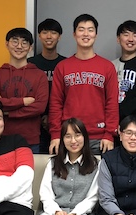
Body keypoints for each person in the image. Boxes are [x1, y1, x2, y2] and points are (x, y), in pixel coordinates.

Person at [48, 14, 119, 155]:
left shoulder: (107, 67)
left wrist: (109, 134)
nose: (86, 34)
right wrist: (55, 134)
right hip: (70, 136)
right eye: (81, 29)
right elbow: (56, 103)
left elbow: (112, 103)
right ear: (74, 34)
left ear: (96, 35)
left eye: (90, 30)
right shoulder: (62, 67)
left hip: (99, 138)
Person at [0, 28, 49, 153]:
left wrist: (6, 110)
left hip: (30, 141)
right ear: (7, 44)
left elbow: (39, 107)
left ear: (30, 47)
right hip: (0, 138)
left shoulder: (40, 75)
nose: (19, 46)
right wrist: (23, 101)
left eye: (24, 43)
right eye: (15, 41)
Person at [29, 18, 66, 153]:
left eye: (53, 33)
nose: (49, 36)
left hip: (61, 122)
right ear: (39, 36)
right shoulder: (30, 64)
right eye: (45, 32)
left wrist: (53, 116)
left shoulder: (66, 64)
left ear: (59, 37)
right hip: (34, 122)